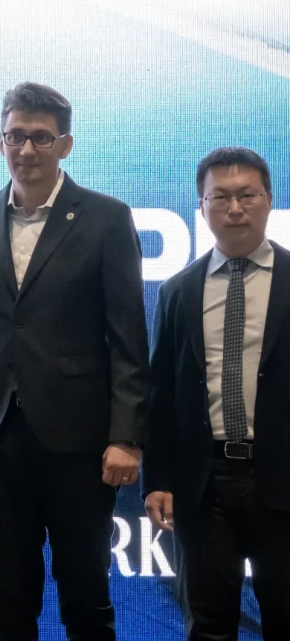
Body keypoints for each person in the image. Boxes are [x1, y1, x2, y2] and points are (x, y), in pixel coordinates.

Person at [0, 82, 150, 640]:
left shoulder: (107, 218)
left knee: (85, 596)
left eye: (41, 137)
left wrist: (127, 437)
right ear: (0, 142)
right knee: (7, 601)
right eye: (16, 136)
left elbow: (128, 339)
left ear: (65, 145)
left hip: (80, 441)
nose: (26, 149)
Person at [142, 147, 289, 640]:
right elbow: (162, 392)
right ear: (202, 207)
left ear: (269, 200)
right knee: (208, 625)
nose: (235, 208)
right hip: (204, 486)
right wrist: (157, 479)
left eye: (247, 195)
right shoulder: (178, 290)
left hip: (282, 479)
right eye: (220, 197)